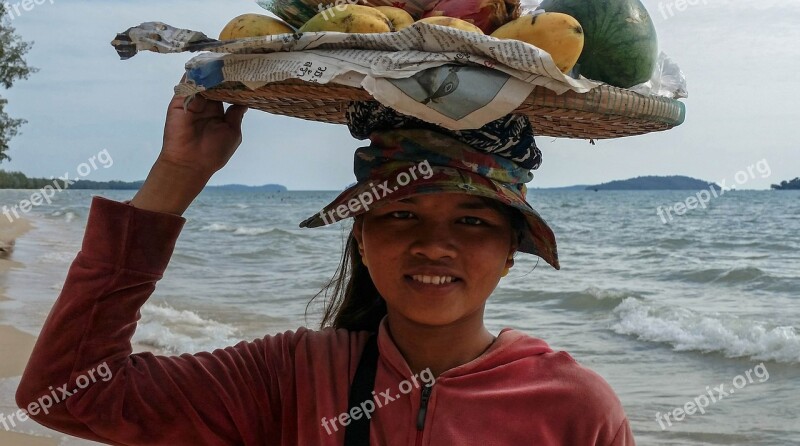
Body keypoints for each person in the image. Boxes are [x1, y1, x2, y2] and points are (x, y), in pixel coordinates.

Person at [16, 89, 635, 445]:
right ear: (361, 238)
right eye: (401, 216)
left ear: (510, 251)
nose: (434, 245)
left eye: (472, 221)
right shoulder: (289, 377)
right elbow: (68, 393)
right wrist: (180, 174)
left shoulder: (575, 408)